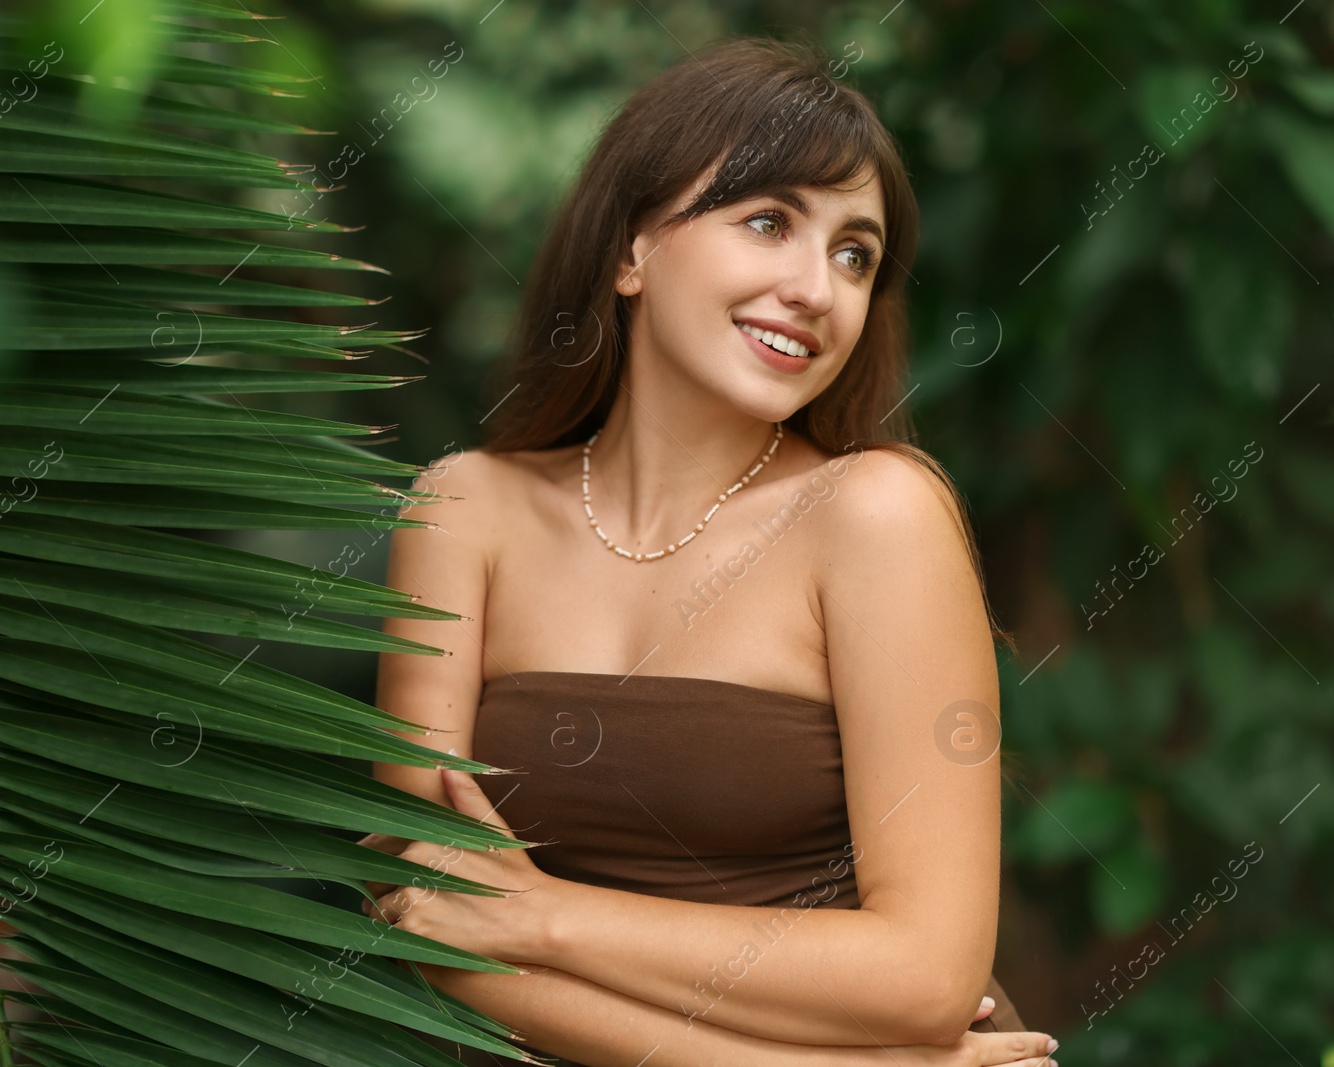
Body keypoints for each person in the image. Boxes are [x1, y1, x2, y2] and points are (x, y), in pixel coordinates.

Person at [358, 31, 1059, 1067]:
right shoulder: (465, 510)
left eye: (853, 253)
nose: (818, 289)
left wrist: (541, 917)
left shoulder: (874, 514)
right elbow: (420, 913)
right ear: (628, 250)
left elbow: (924, 976)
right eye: (769, 221)